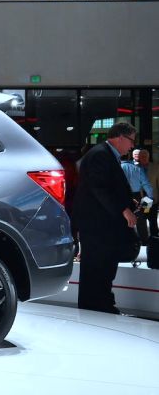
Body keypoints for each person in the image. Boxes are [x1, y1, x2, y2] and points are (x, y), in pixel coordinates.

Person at [73, 122, 139, 314]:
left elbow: (106, 188)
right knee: (98, 267)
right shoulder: (101, 155)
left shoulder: (104, 154)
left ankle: (101, 305)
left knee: (102, 266)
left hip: (100, 224)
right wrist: (123, 209)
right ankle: (97, 307)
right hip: (97, 225)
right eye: (131, 141)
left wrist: (127, 202)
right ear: (120, 137)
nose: (132, 146)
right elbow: (99, 188)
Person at [121, 148, 154, 242]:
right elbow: (147, 186)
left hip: (121, 195)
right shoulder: (137, 168)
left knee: (123, 219)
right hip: (137, 196)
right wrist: (148, 203)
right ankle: (144, 241)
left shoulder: (116, 167)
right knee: (142, 219)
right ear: (129, 156)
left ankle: (125, 241)